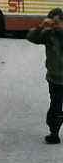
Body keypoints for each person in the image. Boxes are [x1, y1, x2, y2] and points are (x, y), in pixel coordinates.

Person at [26, 8, 63, 144]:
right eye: (52, 23)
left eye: (57, 23)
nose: (55, 26)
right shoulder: (49, 34)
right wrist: (42, 26)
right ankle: (54, 133)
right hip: (56, 78)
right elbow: (31, 37)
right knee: (55, 107)